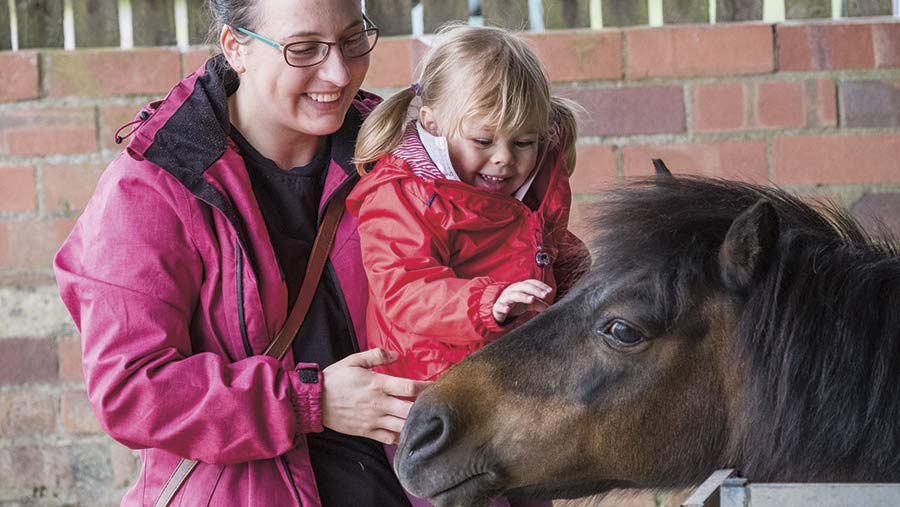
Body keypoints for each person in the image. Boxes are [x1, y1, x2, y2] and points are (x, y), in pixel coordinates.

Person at [53, 0, 428, 505]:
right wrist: (307, 402)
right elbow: (131, 390)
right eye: (304, 49)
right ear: (236, 48)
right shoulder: (155, 185)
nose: (339, 73)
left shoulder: (401, 153)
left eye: (353, 39)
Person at [347, 24, 590, 506]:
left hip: (517, 387)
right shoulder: (402, 193)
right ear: (434, 122)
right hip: (437, 398)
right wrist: (488, 301)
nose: (504, 160)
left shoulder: (537, 179)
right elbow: (405, 288)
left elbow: (552, 246)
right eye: (484, 140)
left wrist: (584, 281)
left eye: (524, 142)